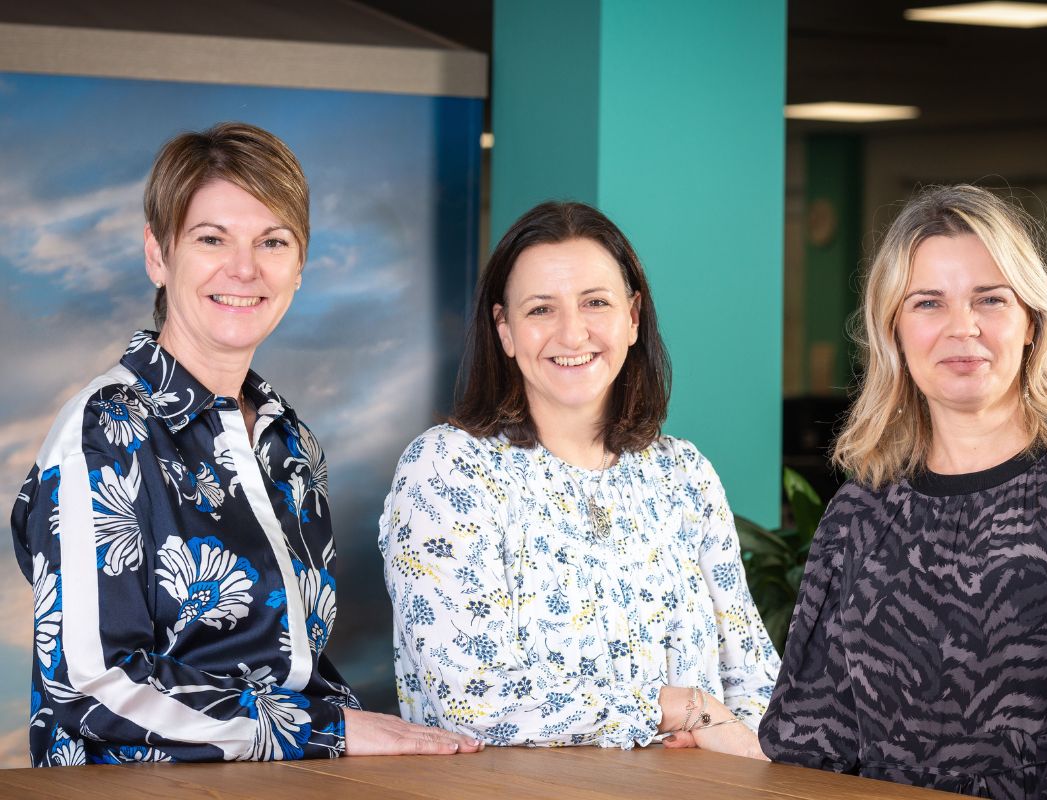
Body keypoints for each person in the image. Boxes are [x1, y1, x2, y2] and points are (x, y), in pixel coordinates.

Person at [10, 122, 481, 765]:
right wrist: (331, 732)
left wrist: (360, 733)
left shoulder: (289, 442)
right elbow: (94, 686)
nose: (244, 268)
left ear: (299, 265)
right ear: (158, 254)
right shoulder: (103, 431)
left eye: (272, 241)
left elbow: (289, 670)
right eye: (211, 239)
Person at [758, 184, 1047, 798]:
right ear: (894, 332)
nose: (963, 327)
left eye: (990, 299)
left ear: (1031, 322)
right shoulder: (859, 513)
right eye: (928, 303)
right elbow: (809, 742)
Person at [378, 201, 779, 756]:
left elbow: (756, 677)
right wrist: (685, 708)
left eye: (596, 302)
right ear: (505, 330)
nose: (573, 333)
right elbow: (471, 701)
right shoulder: (447, 470)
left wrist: (745, 748)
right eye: (541, 309)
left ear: (633, 317)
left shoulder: (683, 474)